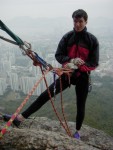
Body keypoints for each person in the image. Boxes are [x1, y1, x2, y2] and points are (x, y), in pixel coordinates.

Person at [3, 9, 99, 139]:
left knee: (80, 104)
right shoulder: (67, 37)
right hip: (67, 74)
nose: (77, 24)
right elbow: (59, 55)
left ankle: (77, 132)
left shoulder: (92, 40)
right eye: (75, 21)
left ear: (86, 21)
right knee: (45, 94)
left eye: (80, 21)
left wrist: (80, 65)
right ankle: (20, 118)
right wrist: (71, 61)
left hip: (82, 76)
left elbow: (94, 63)